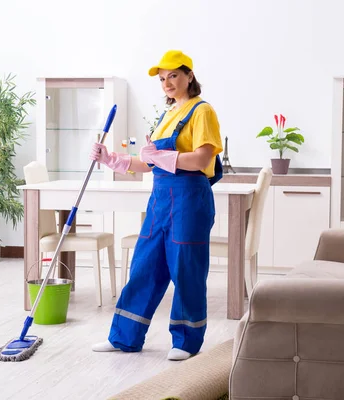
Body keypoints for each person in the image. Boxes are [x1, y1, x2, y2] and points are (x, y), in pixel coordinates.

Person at [89, 50, 224, 361]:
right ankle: (125, 337)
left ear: (189, 75)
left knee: (186, 270)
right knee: (144, 266)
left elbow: (203, 159)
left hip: (190, 200)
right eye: (162, 79)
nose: (167, 83)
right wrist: (111, 159)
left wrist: (162, 157)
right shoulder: (165, 116)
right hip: (160, 201)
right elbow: (148, 164)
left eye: (173, 75)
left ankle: (186, 342)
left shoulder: (202, 111)